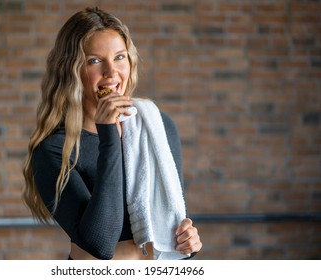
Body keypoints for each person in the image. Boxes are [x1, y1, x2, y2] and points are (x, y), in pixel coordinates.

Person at [22, 7, 202, 260]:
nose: (111, 72)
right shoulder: (54, 150)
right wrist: (108, 133)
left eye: (119, 57)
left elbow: (172, 219)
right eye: (94, 60)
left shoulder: (158, 126)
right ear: (71, 70)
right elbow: (101, 243)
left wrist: (187, 242)